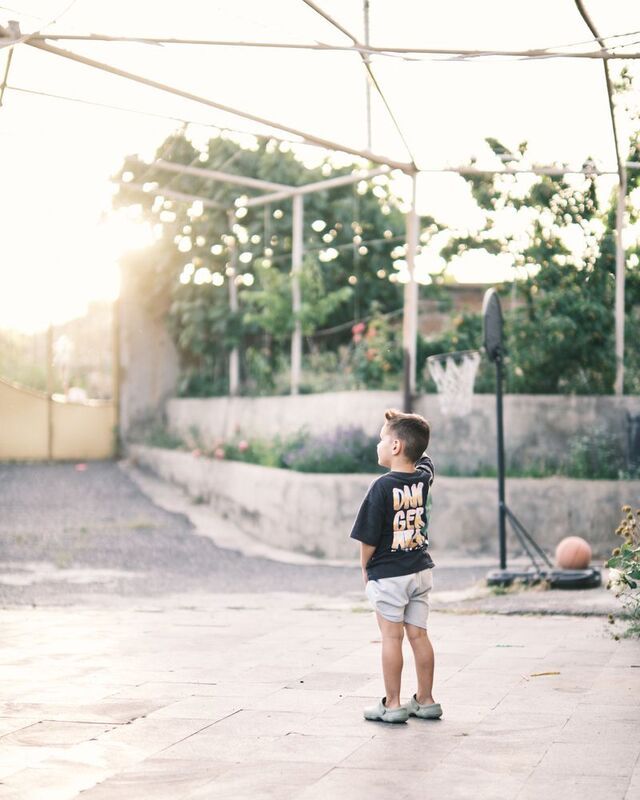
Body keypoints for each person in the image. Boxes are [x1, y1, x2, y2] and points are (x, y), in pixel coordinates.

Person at [350, 408, 442, 724]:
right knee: (419, 636)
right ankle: (427, 700)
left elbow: (368, 538)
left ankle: (392, 704)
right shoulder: (423, 477)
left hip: (389, 575)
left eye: (382, 439)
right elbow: (424, 456)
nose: (378, 445)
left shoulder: (380, 487)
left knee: (392, 638)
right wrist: (410, 429)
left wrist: (365, 569)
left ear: (395, 447)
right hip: (419, 572)